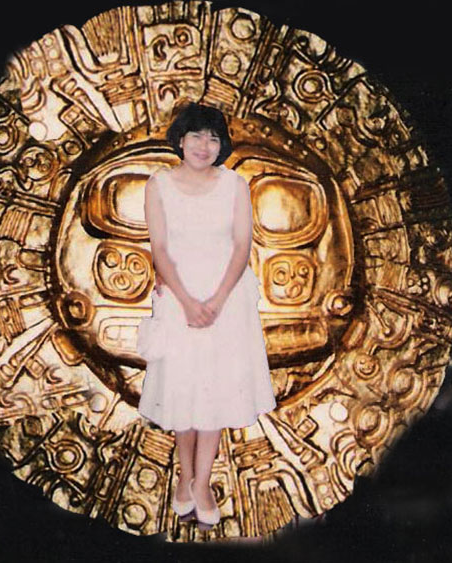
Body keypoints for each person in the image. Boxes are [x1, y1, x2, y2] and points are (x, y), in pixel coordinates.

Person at [137, 102, 275, 530]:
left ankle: (202, 484)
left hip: (227, 299)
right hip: (179, 297)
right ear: (180, 139)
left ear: (222, 146)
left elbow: (240, 246)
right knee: (184, 390)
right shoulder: (158, 185)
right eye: (196, 136)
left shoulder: (235, 184)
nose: (204, 145)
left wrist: (216, 300)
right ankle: (185, 474)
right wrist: (185, 299)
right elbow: (159, 248)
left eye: (213, 138)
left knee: (214, 392)